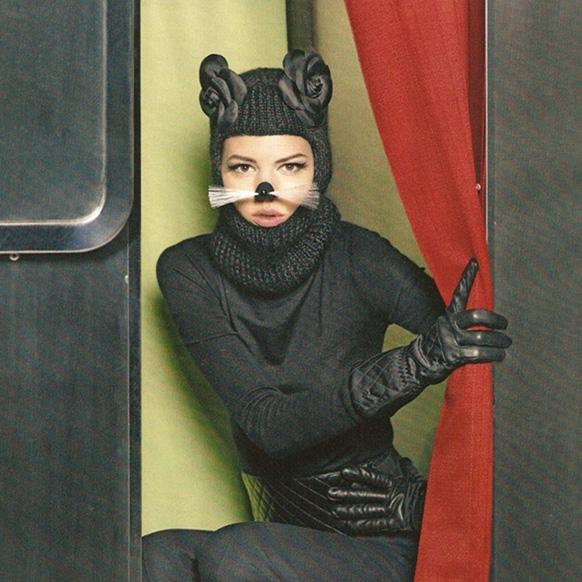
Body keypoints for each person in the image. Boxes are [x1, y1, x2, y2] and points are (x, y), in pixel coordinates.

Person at [142, 50, 511, 582]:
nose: (265, 188)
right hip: (285, 529)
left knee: (236, 554)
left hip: (379, 536)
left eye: (290, 166)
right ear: (218, 169)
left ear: (318, 165)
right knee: (151, 558)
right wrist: (413, 365)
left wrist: (431, 504)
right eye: (243, 167)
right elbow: (268, 425)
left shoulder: (360, 257)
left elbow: (493, 361)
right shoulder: (187, 269)